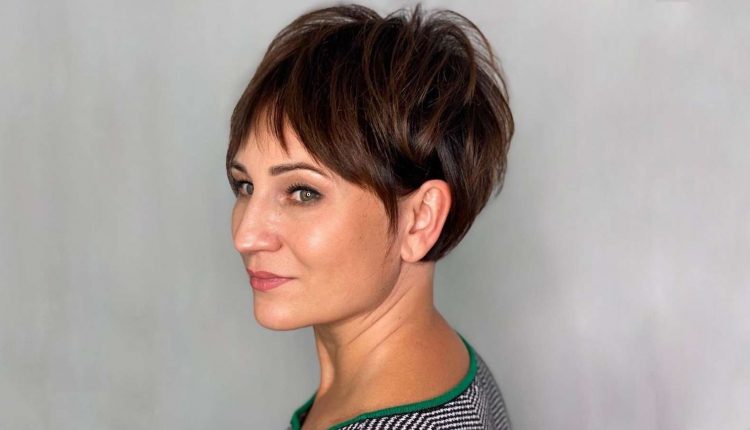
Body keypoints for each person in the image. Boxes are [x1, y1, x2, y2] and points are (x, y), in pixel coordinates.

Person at [226, 3, 514, 429]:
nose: (246, 236)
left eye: (303, 192)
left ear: (420, 219)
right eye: (245, 186)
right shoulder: (450, 367)